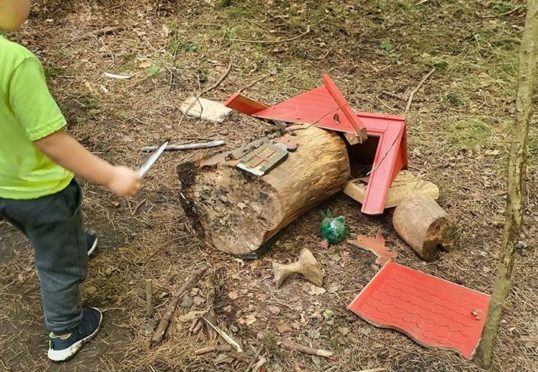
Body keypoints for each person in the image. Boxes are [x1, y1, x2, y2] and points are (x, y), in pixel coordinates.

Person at [0, 0, 141, 362]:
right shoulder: (15, 62)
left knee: (41, 226)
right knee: (58, 263)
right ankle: (64, 331)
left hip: (3, 186)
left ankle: (74, 240)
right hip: (40, 193)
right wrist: (111, 175)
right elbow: (50, 140)